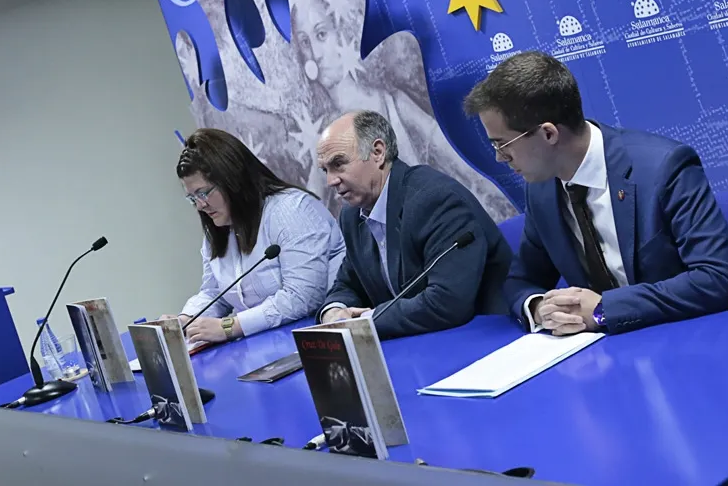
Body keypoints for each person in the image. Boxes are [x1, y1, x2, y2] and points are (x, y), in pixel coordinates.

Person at [462, 51, 728, 336]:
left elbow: (718, 279)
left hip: (695, 341)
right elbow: (521, 280)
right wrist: (538, 307)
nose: (500, 158)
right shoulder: (541, 190)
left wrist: (604, 310)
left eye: (502, 144)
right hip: (611, 355)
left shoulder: (664, 169)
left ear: (548, 134)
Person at [314, 110, 514, 339]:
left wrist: (365, 322)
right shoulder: (352, 216)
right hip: (420, 341)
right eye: (325, 170)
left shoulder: (434, 199)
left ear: (377, 153)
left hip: (486, 336)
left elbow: (447, 302)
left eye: (338, 164)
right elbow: (347, 283)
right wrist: (335, 314)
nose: (331, 181)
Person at [162, 128, 346, 344]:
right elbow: (214, 292)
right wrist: (185, 320)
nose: (200, 206)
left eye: (204, 193)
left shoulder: (291, 209)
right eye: (193, 198)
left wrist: (230, 327)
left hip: (320, 339)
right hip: (266, 344)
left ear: (232, 180)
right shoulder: (217, 226)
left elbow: (303, 296)